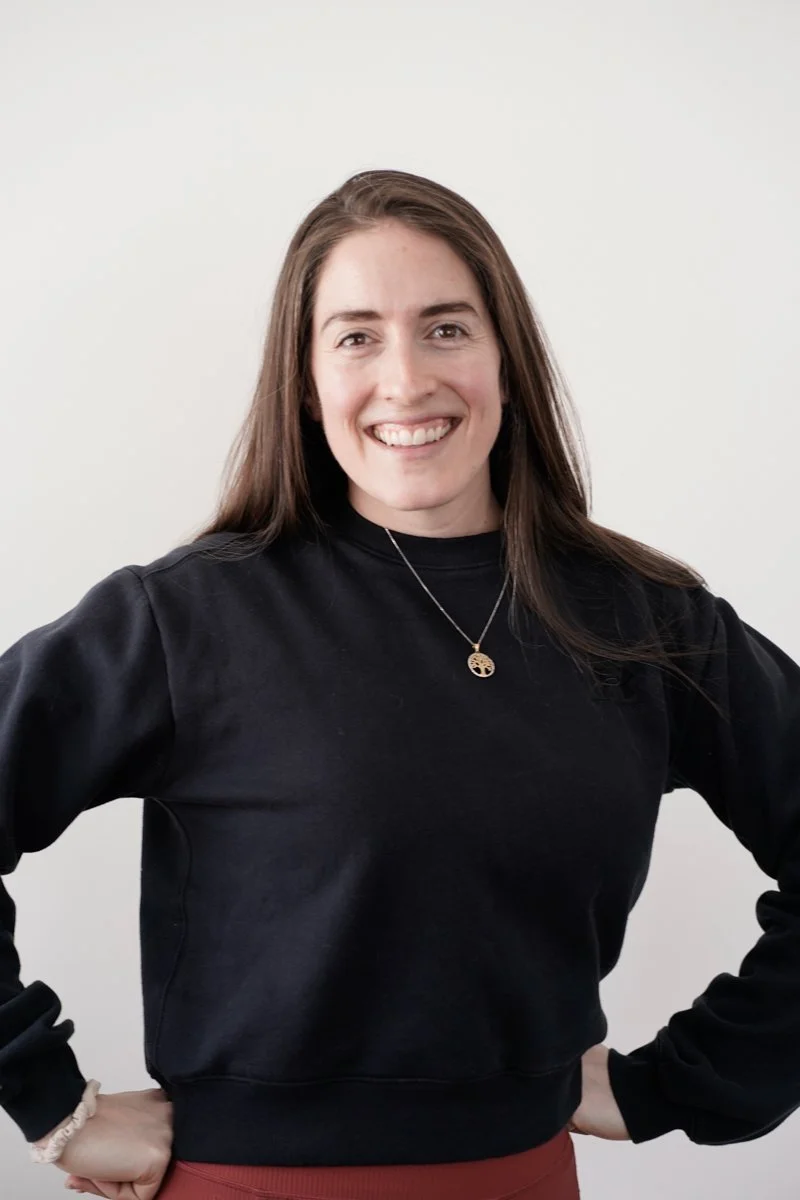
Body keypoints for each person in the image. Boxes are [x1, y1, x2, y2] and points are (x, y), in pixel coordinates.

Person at [1, 169, 799, 1200]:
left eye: (445, 329)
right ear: (304, 380)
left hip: (519, 1175)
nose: (405, 379)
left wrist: (686, 1082)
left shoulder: (642, 619)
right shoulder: (185, 619)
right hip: (248, 1182)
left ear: (506, 359)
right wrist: (47, 1102)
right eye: (355, 336)